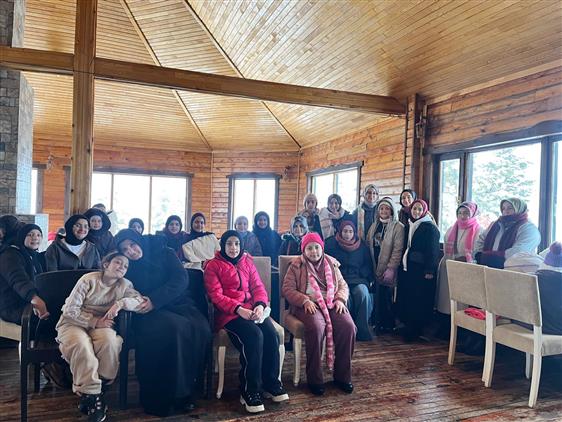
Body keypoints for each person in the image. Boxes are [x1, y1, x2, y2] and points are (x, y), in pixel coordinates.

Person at [114, 229, 211, 416]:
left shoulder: (164, 252)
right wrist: (147, 303)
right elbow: (125, 290)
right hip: (146, 312)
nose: (131, 251)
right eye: (125, 250)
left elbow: (181, 279)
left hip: (177, 303)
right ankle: (165, 396)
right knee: (174, 329)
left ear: (139, 241)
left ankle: (188, 390)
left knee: (201, 328)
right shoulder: (126, 265)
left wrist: (156, 300)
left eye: (132, 245)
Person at [204, 230, 288, 413]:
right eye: (229, 244)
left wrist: (259, 305)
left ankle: (271, 383)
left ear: (241, 245)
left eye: (236, 244)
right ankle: (249, 390)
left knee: (271, 334)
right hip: (229, 315)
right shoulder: (213, 266)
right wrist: (238, 309)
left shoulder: (247, 262)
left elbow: (258, 287)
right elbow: (216, 296)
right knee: (254, 336)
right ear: (222, 245)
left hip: (252, 310)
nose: (233, 248)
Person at [56, 252, 144, 422]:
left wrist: (120, 303)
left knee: (110, 342)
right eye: (118, 262)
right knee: (81, 344)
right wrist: (94, 321)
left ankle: (97, 389)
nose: (122, 267)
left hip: (103, 324)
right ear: (106, 264)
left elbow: (139, 301)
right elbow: (69, 310)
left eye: (126, 266)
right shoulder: (88, 279)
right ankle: (94, 398)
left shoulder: (125, 285)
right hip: (74, 322)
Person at [282, 232, 355, 396]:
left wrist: (340, 299)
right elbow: (287, 289)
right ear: (303, 250)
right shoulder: (296, 265)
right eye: (309, 248)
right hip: (308, 304)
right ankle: (315, 379)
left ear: (322, 248)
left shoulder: (332, 263)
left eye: (316, 247)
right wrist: (304, 300)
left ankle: (342, 376)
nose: (314, 251)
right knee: (316, 327)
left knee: (348, 327)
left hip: (331, 302)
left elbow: (343, 285)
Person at [397, 199, 440, 341]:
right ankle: (408, 326)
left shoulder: (430, 228)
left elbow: (433, 251)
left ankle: (416, 330)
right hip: (410, 267)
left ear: (424, 211)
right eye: (414, 209)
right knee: (409, 297)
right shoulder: (410, 225)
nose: (416, 212)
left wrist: (429, 270)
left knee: (419, 299)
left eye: (419, 209)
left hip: (422, 269)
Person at [324, 220, 374, 341]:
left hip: (358, 279)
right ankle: (347, 330)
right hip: (340, 281)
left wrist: (362, 274)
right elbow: (325, 261)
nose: (347, 234)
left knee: (363, 293)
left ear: (354, 233)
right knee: (345, 299)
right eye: (345, 231)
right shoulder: (331, 244)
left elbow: (368, 265)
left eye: (350, 231)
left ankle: (362, 329)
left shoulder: (362, 246)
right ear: (340, 232)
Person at [366, 197, 405, 334]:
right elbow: (368, 244)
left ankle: (388, 325)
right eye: (381, 208)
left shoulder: (398, 227)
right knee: (377, 296)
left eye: (387, 208)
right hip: (374, 265)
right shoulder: (374, 225)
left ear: (392, 210)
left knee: (387, 296)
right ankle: (377, 323)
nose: (384, 211)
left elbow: (397, 249)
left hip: (388, 267)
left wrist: (391, 268)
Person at [436, 202, 482, 315]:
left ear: (473, 214)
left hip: (465, 267)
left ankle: (460, 321)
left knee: (461, 299)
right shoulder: (452, 228)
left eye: (466, 213)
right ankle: (445, 320)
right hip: (448, 264)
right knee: (445, 297)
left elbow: (478, 250)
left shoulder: (478, 230)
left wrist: (466, 258)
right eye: (460, 213)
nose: (462, 216)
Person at [0, 224, 49, 324]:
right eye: (30, 235)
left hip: (26, 299)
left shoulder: (33, 255)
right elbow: (18, 279)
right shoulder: (10, 254)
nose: (35, 238)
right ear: (22, 237)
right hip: (12, 305)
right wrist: (33, 297)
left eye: (38, 235)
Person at [474, 198, 541, 269]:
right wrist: (479, 254)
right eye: (503, 208)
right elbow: (481, 239)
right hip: (488, 267)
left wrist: (492, 257)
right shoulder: (496, 224)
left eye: (510, 208)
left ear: (520, 209)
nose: (506, 211)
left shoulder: (528, 228)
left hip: (515, 269)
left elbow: (520, 251)